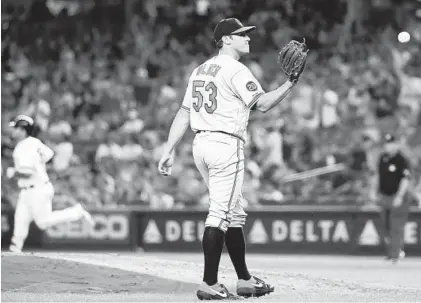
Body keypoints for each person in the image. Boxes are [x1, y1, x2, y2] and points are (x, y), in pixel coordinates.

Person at [158, 18, 305, 300]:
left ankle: (245, 279)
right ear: (226, 39)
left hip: (201, 144)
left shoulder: (200, 70)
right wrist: (290, 83)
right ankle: (209, 283)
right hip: (226, 145)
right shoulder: (237, 70)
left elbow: (184, 112)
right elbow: (262, 104)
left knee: (234, 213)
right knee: (220, 215)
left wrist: (168, 149)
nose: (247, 38)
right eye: (241, 35)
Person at [6, 115, 95, 253]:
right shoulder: (34, 142)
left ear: (23, 130)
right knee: (20, 218)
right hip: (31, 188)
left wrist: (13, 173)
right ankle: (15, 247)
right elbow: (49, 154)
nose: (13, 131)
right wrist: (38, 164)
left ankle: (77, 212)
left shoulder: (24, 147)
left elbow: (28, 173)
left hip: (37, 189)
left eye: (16, 128)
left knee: (43, 222)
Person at [369, 133, 412, 262]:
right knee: (385, 226)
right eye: (386, 144)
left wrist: (399, 196)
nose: (387, 146)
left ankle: (396, 253)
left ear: (396, 144)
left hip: (398, 196)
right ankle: (391, 251)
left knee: (396, 226)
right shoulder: (383, 157)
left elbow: (406, 179)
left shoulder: (402, 159)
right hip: (385, 196)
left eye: (390, 143)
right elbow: (377, 175)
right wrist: (373, 191)